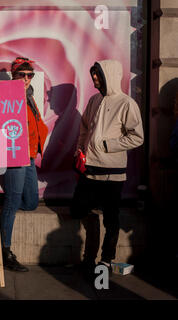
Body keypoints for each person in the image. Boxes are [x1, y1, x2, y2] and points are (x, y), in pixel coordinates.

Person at [71, 60, 144, 277]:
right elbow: (84, 128)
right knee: (79, 209)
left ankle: (104, 260)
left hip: (112, 172)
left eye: (98, 75)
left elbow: (137, 137)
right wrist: (80, 150)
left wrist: (106, 145)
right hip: (90, 168)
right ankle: (91, 256)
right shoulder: (94, 100)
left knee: (111, 218)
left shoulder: (127, 103)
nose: (94, 78)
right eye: (93, 74)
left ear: (109, 76)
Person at [0, 57, 48, 272]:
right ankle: (4, 253)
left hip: (30, 156)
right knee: (13, 202)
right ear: (14, 75)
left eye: (30, 75)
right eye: (22, 75)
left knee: (31, 201)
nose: (26, 78)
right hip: (15, 157)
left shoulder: (30, 97)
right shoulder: (7, 95)